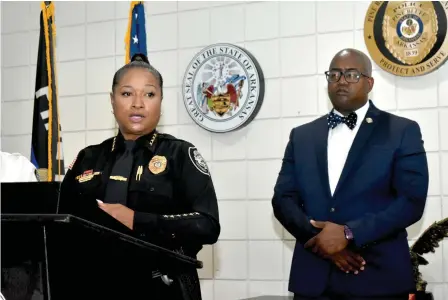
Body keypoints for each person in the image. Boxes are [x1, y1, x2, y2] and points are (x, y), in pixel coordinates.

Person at [58, 53, 220, 299]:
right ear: (112, 101)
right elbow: (60, 223)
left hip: (161, 287)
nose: (137, 103)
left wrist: (136, 219)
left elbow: (207, 225)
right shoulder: (88, 157)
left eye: (149, 94)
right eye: (126, 93)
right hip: (90, 285)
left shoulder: (179, 154)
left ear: (160, 102)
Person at [272, 48, 428, 300]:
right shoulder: (301, 135)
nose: (341, 80)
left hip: (378, 279)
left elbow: (411, 202)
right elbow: (282, 199)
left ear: (369, 83)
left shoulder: (401, 131)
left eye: (352, 74)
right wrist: (322, 243)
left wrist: (349, 233)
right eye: (334, 74)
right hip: (314, 281)